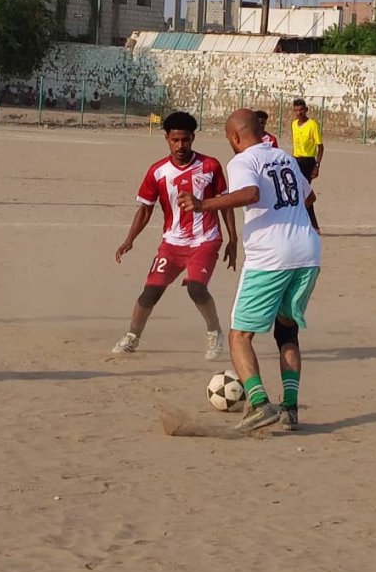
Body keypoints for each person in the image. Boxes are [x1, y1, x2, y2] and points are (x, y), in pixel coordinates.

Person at [178, 109, 321, 432]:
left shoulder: (243, 161)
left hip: (272, 256)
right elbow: (309, 196)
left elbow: (250, 194)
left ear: (234, 137)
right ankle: (290, 408)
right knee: (286, 332)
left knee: (239, 336)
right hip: (308, 252)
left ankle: (258, 403)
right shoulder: (283, 157)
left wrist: (203, 204)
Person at [112, 111, 238, 360]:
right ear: (167, 138)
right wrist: (130, 240)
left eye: (186, 140)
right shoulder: (157, 172)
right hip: (172, 243)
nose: (181, 146)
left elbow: (225, 203)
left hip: (206, 239)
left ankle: (214, 332)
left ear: (193, 138)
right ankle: (133, 336)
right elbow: (146, 209)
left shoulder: (210, 166)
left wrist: (233, 240)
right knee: (149, 293)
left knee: (196, 288)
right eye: (175, 140)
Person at [291, 98, 323, 233]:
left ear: (306, 110)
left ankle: (314, 225)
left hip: (308, 162)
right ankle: (305, 224)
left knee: (305, 193)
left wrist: (317, 165)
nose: (299, 113)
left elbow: (320, 146)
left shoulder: (312, 124)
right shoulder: (293, 124)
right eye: (296, 110)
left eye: (301, 110)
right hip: (296, 161)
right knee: (296, 193)